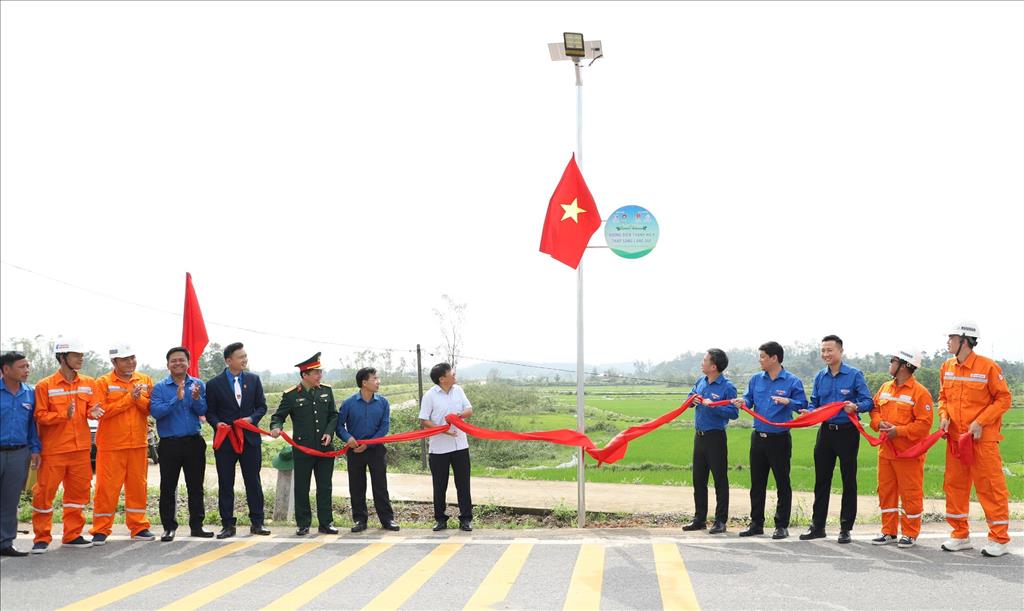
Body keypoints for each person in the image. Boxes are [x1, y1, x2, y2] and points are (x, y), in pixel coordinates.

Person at [939, 322, 1013, 557]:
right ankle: (960, 535)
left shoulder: (988, 367)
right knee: (955, 486)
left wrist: (981, 421)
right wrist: (944, 416)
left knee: (990, 487)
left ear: (965, 340)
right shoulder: (946, 366)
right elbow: (943, 397)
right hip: (956, 439)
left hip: (982, 440)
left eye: (951, 338)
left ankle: (999, 539)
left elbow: (1004, 399)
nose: (948, 342)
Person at [799, 335, 873, 544]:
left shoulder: (854, 375)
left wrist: (856, 407)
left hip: (847, 432)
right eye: (823, 350)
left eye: (830, 350)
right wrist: (809, 412)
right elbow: (815, 403)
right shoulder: (820, 377)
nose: (826, 354)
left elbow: (868, 401)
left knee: (848, 480)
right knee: (821, 480)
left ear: (840, 351)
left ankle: (845, 528)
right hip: (826, 432)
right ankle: (817, 526)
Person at [732, 341, 806, 540]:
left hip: (779, 439)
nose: (760, 360)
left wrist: (788, 401)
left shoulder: (792, 381)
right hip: (758, 438)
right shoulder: (756, 379)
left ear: (774, 358)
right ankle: (756, 524)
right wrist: (743, 402)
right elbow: (749, 399)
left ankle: (781, 525)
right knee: (757, 484)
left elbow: (803, 405)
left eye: (763, 357)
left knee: (782, 483)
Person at [31, 337, 98, 553]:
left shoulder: (89, 383)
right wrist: (63, 415)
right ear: (62, 357)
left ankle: (72, 534)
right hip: (54, 450)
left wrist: (94, 412)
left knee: (77, 496)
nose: (81, 358)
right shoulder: (45, 385)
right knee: (44, 494)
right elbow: (40, 415)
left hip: (80, 450)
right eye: (76, 355)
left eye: (81, 355)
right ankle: (41, 537)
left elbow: (92, 408)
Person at [89, 344, 156, 544]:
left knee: (138, 487)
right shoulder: (103, 382)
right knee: (106, 489)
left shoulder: (145, 380)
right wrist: (129, 399)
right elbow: (101, 412)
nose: (130, 362)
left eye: (132, 357)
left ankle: (139, 526)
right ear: (114, 362)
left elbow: (150, 409)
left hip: (138, 444)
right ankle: (101, 529)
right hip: (111, 445)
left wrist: (137, 399)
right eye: (125, 359)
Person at [869, 349, 933, 549]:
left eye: (893, 360)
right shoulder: (885, 387)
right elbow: (874, 409)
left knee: (910, 493)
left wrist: (899, 431)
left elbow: (924, 424)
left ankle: (910, 533)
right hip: (886, 452)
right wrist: (878, 423)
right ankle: (888, 531)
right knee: (886, 491)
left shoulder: (920, 392)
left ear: (905, 365)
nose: (890, 364)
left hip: (908, 455)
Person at [205, 342, 269, 538]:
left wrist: (251, 419)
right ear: (228, 360)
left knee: (253, 481)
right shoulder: (214, 384)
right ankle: (227, 525)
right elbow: (210, 412)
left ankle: (257, 522)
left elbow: (262, 406)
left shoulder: (253, 379)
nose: (244, 360)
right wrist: (217, 424)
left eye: (245, 356)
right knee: (226, 482)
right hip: (226, 440)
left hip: (249, 439)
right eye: (240, 357)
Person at [270, 352, 338, 536]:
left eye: (320, 372)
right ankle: (303, 523)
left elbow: (334, 415)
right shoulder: (291, 395)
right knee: (302, 487)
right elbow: (278, 416)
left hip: (324, 449)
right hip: (303, 449)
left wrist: (329, 432)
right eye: (316, 372)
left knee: (325, 487)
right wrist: (276, 427)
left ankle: (326, 523)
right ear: (305, 375)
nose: (320, 375)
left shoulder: (326, 391)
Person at [150, 346, 211, 542]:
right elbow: (156, 412)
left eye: (181, 360)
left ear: (188, 363)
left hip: (194, 442)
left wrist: (196, 399)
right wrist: (176, 399)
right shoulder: (160, 387)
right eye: (173, 360)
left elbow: (203, 410)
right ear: (168, 364)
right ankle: (169, 527)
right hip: (170, 444)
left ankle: (197, 526)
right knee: (168, 487)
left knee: (196, 486)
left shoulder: (198, 384)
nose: (178, 363)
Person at [681, 349, 738, 534]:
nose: (702, 362)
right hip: (699, 437)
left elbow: (733, 413)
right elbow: (688, 399)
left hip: (716, 437)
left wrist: (712, 405)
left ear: (714, 367)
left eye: (705, 360)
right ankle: (699, 519)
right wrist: (693, 400)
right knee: (698, 479)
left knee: (720, 480)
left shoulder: (727, 387)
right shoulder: (700, 381)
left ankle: (720, 521)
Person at [338, 367, 400, 533]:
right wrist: (348, 438)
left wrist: (369, 444)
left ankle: (387, 520)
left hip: (376, 449)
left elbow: (384, 427)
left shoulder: (383, 403)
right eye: (375, 379)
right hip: (354, 450)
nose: (378, 382)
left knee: (380, 486)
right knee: (356, 486)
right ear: (364, 383)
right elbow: (339, 426)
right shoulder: (349, 403)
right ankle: (360, 520)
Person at [418, 362, 474, 532]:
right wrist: (442, 430)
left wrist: (459, 415)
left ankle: (466, 519)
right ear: (442, 379)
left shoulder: (459, 390)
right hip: (439, 448)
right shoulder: (430, 395)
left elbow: (469, 410)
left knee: (463, 484)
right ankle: (440, 519)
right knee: (439, 485)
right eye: (451, 373)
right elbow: (424, 420)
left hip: (460, 445)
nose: (454, 374)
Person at [0, 352, 41, 557]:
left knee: (10, 500)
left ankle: (5, 543)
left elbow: (33, 425)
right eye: (22, 367)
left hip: (19, 454)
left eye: (27, 366)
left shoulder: (30, 394)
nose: (27, 370)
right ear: (6, 369)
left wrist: (35, 450)